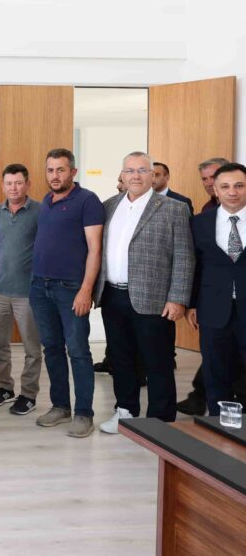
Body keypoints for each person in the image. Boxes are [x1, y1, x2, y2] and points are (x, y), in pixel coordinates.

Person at [94, 152, 193, 433]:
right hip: (113, 296)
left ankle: (161, 420)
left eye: (142, 170)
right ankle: (125, 411)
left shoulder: (174, 209)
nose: (135, 176)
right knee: (120, 359)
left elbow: (185, 257)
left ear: (152, 175)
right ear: (122, 176)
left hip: (155, 299)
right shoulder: (108, 206)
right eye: (129, 171)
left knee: (157, 361)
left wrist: (178, 298)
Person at [28, 148, 104, 439]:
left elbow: (94, 250)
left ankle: (84, 413)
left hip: (71, 288)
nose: (55, 175)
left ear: (73, 171)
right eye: (50, 170)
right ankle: (60, 406)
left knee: (78, 351)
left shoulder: (87, 201)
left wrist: (86, 290)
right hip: (40, 286)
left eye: (61, 170)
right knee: (52, 348)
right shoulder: (47, 201)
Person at [188, 162, 246, 416]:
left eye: (239, 186)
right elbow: (194, 266)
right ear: (216, 190)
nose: (232, 192)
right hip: (213, 309)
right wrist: (191, 303)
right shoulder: (199, 223)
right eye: (225, 186)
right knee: (215, 372)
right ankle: (217, 426)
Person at [177, 156, 234, 415]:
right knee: (215, 363)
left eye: (215, 177)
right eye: (206, 179)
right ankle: (214, 416)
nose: (210, 183)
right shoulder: (204, 217)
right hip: (215, 304)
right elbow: (197, 264)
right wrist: (192, 303)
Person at [0, 163, 43, 416]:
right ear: (3, 185)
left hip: (27, 293)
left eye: (18, 183)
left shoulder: (40, 211)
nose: (13, 188)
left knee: (32, 347)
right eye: (9, 183)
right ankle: (5, 387)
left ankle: (28, 394)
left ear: (27, 184)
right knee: (1, 345)